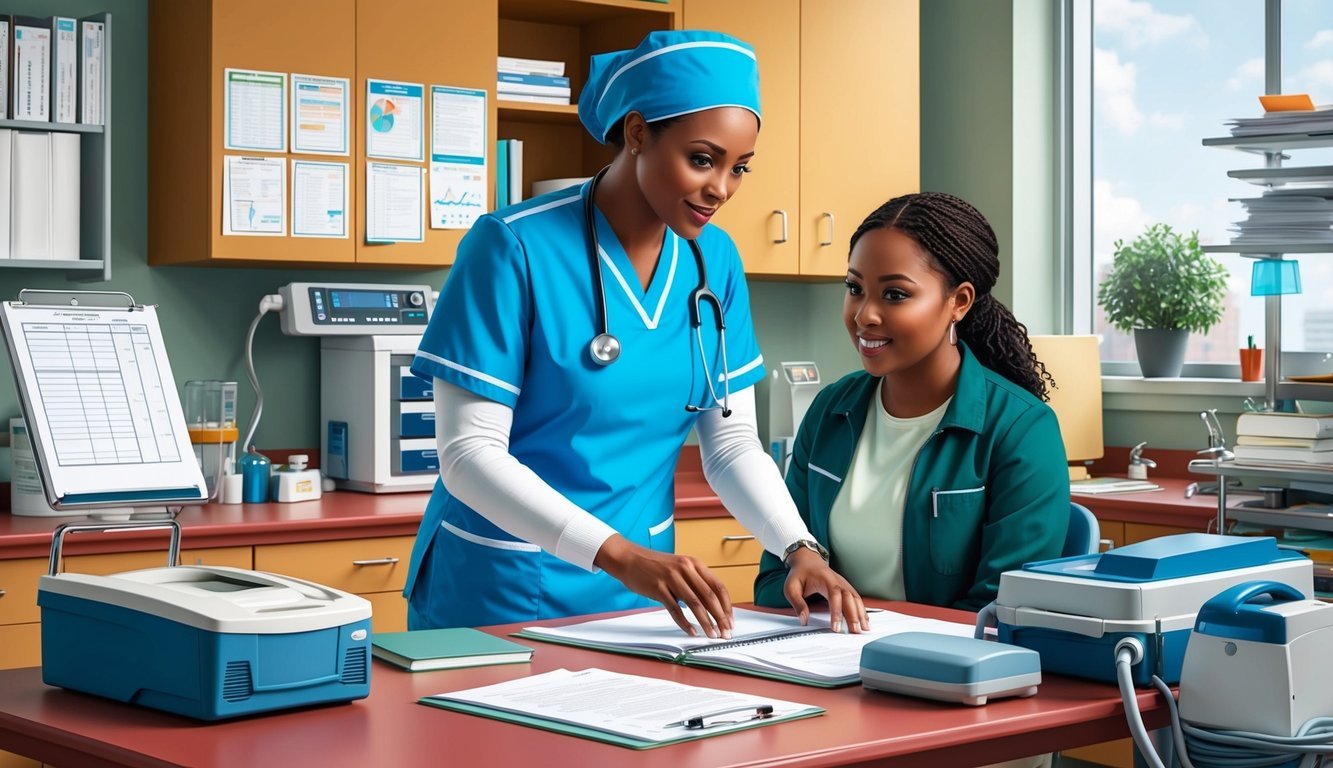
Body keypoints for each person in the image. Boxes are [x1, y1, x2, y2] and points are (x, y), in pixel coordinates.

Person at [405, 29, 868, 638]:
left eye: (739, 168)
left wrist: (798, 547)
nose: (721, 189)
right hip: (504, 584)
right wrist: (622, 556)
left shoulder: (713, 262)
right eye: (702, 159)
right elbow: (468, 456)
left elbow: (730, 447)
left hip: (641, 599)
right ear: (637, 132)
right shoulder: (512, 246)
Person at [754, 192, 1070, 612]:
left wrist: (876, 635)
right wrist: (806, 590)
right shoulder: (829, 410)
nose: (865, 314)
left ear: (958, 302)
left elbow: (1006, 609)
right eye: (854, 288)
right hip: (824, 660)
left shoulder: (1023, 430)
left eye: (895, 295)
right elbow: (775, 577)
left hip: (946, 669)